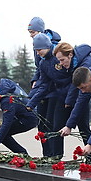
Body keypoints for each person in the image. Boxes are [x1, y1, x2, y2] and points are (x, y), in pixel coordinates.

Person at [26, 34, 91, 158]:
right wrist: (31, 102)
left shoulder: (59, 57)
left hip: (77, 95)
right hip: (61, 97)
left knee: (83, 128)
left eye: (40, 50)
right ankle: (56, 156)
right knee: (56, 128)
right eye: (36, 51)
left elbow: (73, 78)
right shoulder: (43, 64)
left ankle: (90, 157)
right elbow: (44, 85)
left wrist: (70, 99)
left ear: (47, 47)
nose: (38, 53)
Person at [53, 42, 91, 162]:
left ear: (70, 55)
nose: (61, 64)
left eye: (62, 60)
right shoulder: (74, 63)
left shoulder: (85, 65)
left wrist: (69, 124)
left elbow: (81, 93)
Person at [27, 17, 61, 157]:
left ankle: (54, 155)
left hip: (54, 91)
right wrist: (35, 80)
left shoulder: (53, 48)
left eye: (33, 31)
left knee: (51, 124)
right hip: (43, 87)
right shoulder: (38, 47)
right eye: (29, 32)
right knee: (42, 125)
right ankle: (46, 155)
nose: (31, 35)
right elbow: (40, 68)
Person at [0, 74, 37, 154]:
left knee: (3, 134)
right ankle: (22, 153)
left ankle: (22, 153)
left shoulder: (7, 100)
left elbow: (6, 124)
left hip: (29, 119)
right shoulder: (6, 85)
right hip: (27, 114)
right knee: (1, 133)